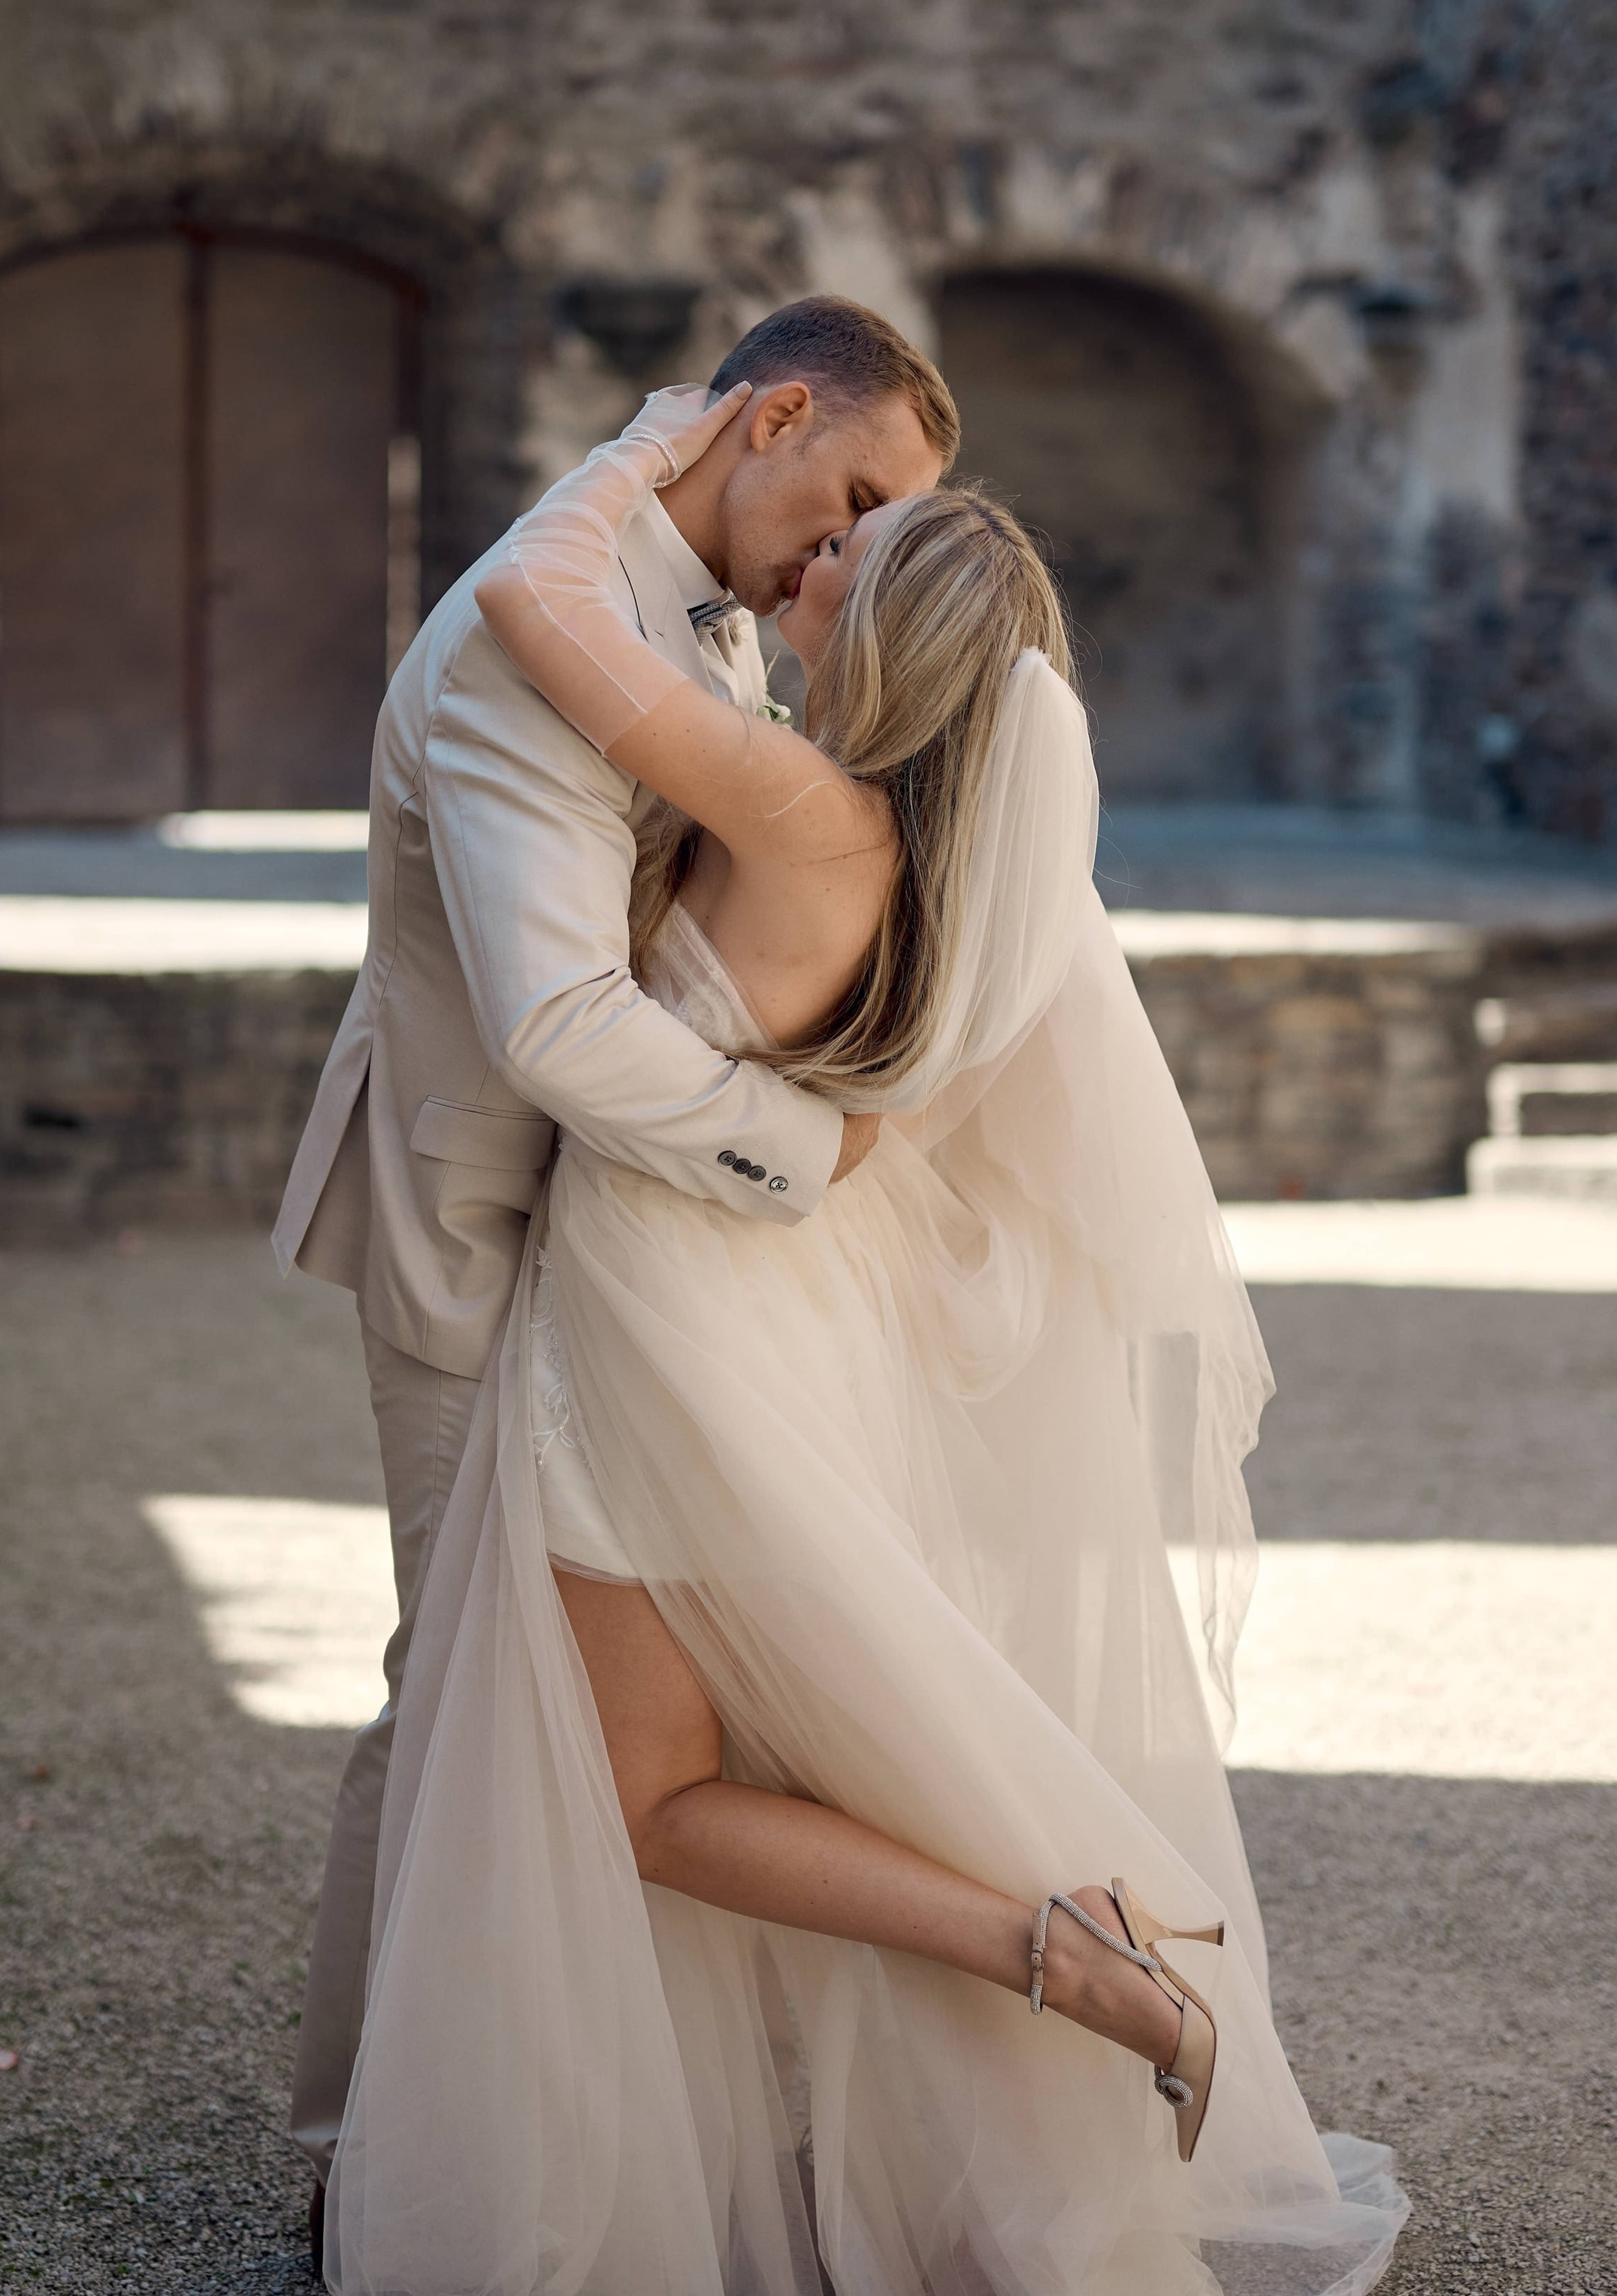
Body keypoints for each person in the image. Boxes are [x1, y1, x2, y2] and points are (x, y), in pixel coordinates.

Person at [319, 388, 1410, 2291]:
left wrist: (643, 449)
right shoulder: (918, 847)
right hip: (758, 1307)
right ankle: (1053, 1955)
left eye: (859, 551)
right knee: (761, 1737)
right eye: (839, 519)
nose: (818, 557)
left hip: (650, 1314)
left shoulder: (796, 806)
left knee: (649, 1788)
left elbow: (520, 611)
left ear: (889, 635)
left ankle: (1052, 1950)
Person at [270, 298, 956, 2258]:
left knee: (634, 1724)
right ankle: (365, 2169)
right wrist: (810, 1158)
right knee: (462, 1711)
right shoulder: (533, 628)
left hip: (627, 1264)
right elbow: (562, 1022)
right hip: (476, 1241)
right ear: (767, 417)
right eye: (849, 496)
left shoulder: (706, 599)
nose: (850, 556)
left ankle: (600, 2122)